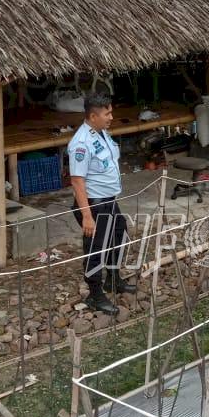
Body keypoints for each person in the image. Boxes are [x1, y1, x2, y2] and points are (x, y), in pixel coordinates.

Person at [68, 92, 137, 315]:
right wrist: (87, 216)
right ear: (93, 115)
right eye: (107, 113)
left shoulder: (101, 134)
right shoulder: (81, 143)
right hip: (94, 205)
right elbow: (77, 181)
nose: (111, 117)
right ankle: (95, 294)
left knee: (119, 234)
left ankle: (113, 279)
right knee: (95, 249)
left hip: (109, 201)